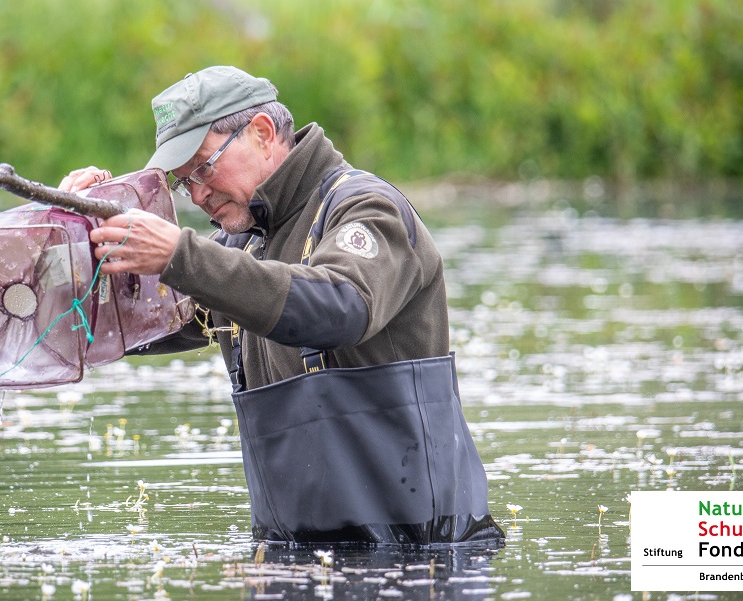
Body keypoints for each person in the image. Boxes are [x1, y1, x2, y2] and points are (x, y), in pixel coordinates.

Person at [62, 66, 501, 545]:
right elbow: (123, 327)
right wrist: (76, 240)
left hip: (422, 556)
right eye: (185, 183)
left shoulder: (367, 208)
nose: (200, 195)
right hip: (293, 556)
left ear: (263, 134)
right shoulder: (236, 248)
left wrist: (181, 256)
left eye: (205, 168)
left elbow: (341, 307)